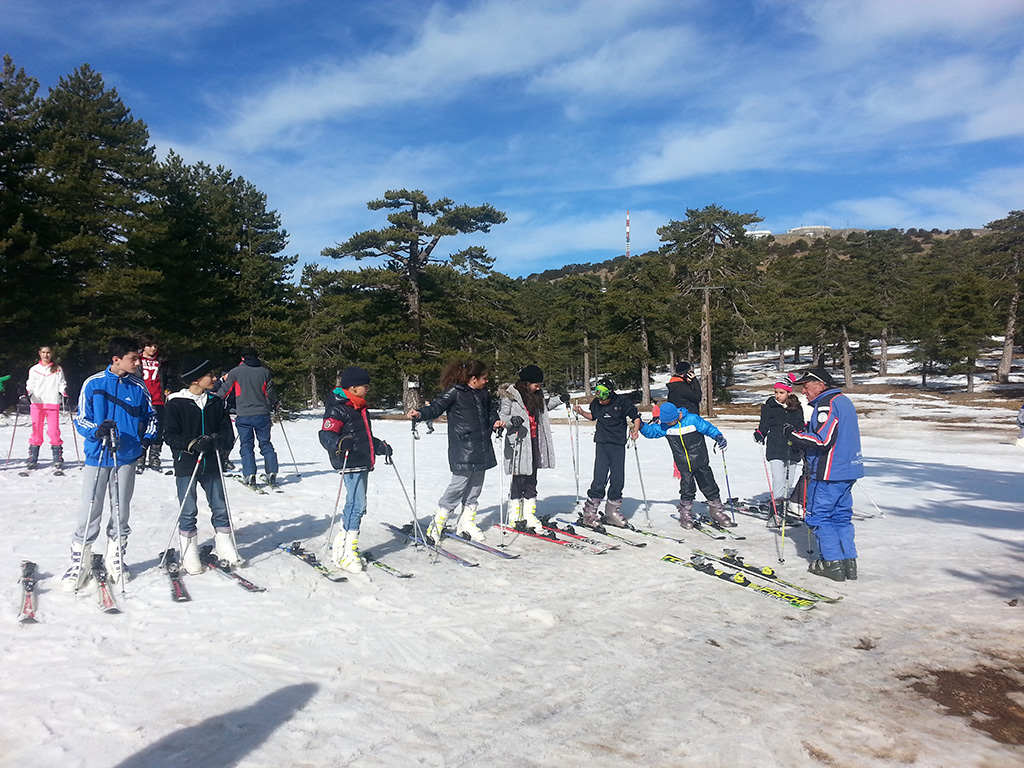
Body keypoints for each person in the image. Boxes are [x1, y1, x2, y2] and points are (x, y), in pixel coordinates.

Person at [63, 337, 156, 590]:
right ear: (117, 359)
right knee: (90, 507)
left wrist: (146, 439)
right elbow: (81, 419)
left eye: (138, 358)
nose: (138, 362)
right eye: (133, 358)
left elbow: (152, 417)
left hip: (126, 455)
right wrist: (97, 429)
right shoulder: (93, 383)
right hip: (98, 454)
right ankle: (80, 559)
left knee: (121, 506)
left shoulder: (139, 386)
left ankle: (116, 555)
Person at [407, 359, 503, 542]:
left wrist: (495, 421)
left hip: (482, 445)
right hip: (463, 447)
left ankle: (466, 522)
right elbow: (436, 408)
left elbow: (491, 411)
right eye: (484, 378)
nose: (486, 381)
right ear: (473, 378)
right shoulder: (455, 392)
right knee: (458, 486)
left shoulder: (483, 393)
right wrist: (420, 414)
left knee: (475, 487)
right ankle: (439, 522)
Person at [786, 367, 864, 582]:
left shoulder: (826, 404)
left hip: (829, 471)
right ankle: (848, 563)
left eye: (807, 386)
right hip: (848, 469)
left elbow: (823, 439)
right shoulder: (843, 401)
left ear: (821, 385)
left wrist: (792, 434)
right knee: (841, 516)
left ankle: (831, 562)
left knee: (819, 516)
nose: (804, 391)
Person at [163, 355, 238, 574]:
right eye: (210, 375)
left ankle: (225, 545)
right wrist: (191, 444)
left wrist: (219, 440)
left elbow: (227, 430)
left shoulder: (215, 402)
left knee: (219, 504)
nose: (214, 378)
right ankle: (189, 551)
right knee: (188, 508)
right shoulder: (177, 403)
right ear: (195, 379)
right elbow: (169, 435)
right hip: (187, 463)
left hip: (212, 462)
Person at [318, 366, 392, 572]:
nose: (368, 389)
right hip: (348, 461)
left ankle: (343, 546)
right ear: (353, 387)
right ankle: (347, 552)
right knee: (357, 505)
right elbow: (326, 435)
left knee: (356, 505)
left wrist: (378, 446)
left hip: (361, 459)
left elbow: (363, 435)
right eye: (365, 386)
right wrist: (340, 444)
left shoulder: (359, 407)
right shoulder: (338, 407)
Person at [639, 402, 731, 528]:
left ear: (676, 415)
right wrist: (641, 425)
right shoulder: (666, 427)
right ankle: (685, 513)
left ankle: (717, 511)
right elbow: (651, 432)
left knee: (709, 485)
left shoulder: (692, 419)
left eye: (671, 421)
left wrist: (718, 437)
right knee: (687, 489)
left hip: (701, 460)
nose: (669, 424)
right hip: (684, 464)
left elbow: (708, 428)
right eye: (666, 422)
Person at [497, 365, 561, 534]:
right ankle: (515, 515)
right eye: (535, 384)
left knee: (532, 477)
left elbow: (544, 407)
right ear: (526, 383)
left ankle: (529, 514)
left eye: (540, 384)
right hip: (518, 441)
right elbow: (503, 416)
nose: (538, 387)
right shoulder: (511, 395)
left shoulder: (537, 395)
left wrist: (560, 399)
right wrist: (512, 421)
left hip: (534, 440)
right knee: (519, 478)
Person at [572, 378, 642, 528]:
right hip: (602, 444)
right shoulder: (596, 403)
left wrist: (635, 431)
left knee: (618, 479)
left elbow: (635, 417)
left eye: (603, 398)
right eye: (598, 397)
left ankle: (611, 512)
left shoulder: (621, 402)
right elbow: (594, 416)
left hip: (618, 444)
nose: (601, 401)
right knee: (599, 478)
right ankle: (589, 513)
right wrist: (582, 412)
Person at [219, 347, 279, 488]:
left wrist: (213, 399)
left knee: (246, 445)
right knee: (266, 444)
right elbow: (269, 392)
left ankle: (249, 474)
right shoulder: (265, 372)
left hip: (244, 414)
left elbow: (225, 390)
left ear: (242, 358)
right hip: (262, 414)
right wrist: (275, 404)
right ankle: (272, 473)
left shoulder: (236, 372)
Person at [754, 374, 805, 525]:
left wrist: (800, 433)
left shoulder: (796, 407)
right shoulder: (769, 406)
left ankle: (783, 511)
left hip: (792, 447)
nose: (777, 395)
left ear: (789, 392)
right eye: (775, 392)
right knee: (778, 478)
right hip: (775, 445)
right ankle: (775, 512)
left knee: (788, 482)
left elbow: (800, 425)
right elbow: (764, 425)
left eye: (781, 392)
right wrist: (760, 434)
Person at [26, 345, 68, 471]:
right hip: (37, 403)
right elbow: (30, 384)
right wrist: (27, 391)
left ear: (52, 353)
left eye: (48, 352)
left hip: (52, 402)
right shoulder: (34, 369)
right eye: (43, 352)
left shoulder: (57, 369)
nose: (45, 355)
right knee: (36, 431)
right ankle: (33, 458)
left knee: (54, 431)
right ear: (39, 353)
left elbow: (61, 383)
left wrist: (64, 391)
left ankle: (57, 457)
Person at [137, 333, 168, 473]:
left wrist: (168, 390)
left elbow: (168, 378)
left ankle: (154, 456)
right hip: (141, 400)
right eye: (149, 346)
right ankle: (140, 456)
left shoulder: (162, 362)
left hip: (158, 400)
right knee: (140, 428)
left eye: (155, 346)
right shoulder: (137, 360)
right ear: (143, 347)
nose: (153, 349)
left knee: (158, 429)